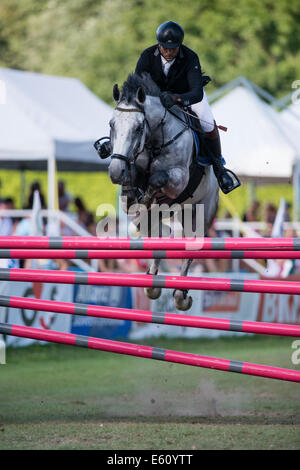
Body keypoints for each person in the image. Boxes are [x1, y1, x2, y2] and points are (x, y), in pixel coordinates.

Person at [134, 21, 238, 194]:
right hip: (156, 100)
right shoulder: (147, 56)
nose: (168, 52)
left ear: (179, 45)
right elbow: (137, 84)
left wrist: (177, 98)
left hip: (186, 97)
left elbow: (196, 93)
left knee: (206, 121)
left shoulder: (190, 57)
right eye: (165, 48)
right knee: (131, 118)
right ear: (159, 45)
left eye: (173, 49)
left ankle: (219, 169)